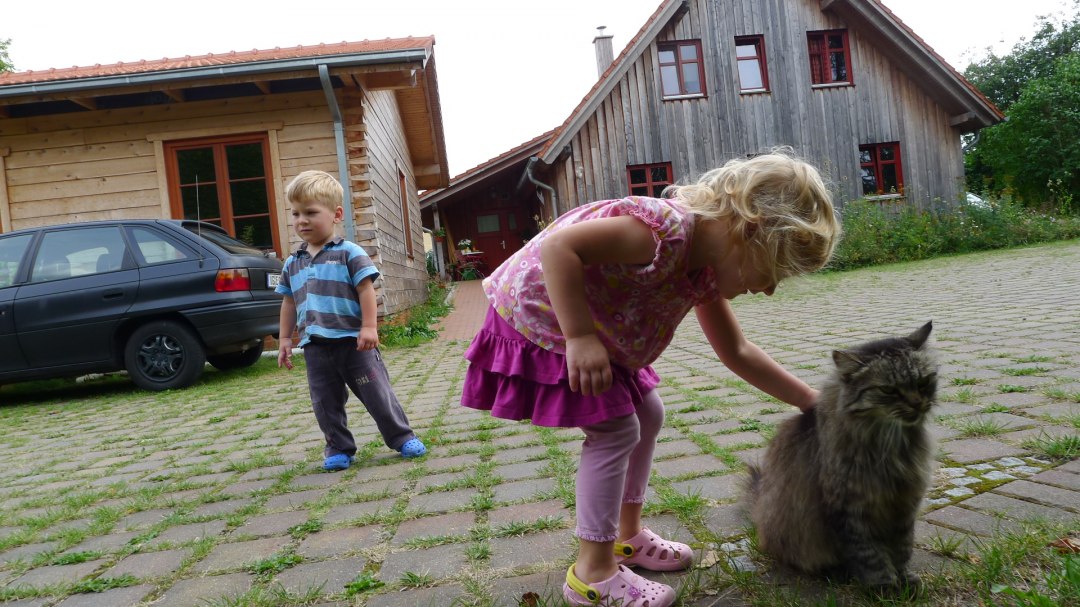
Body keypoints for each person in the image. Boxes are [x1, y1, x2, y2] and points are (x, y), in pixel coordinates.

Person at [461, 148, 841, 606]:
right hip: (544, 317)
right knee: (616, 428)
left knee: (649, 412)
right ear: (751, 230)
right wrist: (580, 336)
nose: (769, 288)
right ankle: (592, 576)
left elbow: (737, 351)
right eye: (774, 270)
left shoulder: (703, 271)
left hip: (595, 329)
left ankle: (626, 536)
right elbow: (560, 247)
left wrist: (809, 400)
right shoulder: (662, 231)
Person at [276, 170, 426, 472]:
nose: (302, 220)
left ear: (336, 214)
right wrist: (284, 339)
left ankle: (401, 436)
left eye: (311, 212)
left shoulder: (349, 253)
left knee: (376, 393)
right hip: (316, 347)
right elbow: (289, 301)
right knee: (325, 402)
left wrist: (369, 327)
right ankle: (338, 447)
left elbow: (365, 289)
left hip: (353, 343)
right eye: (296, 214)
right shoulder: (293, 262)